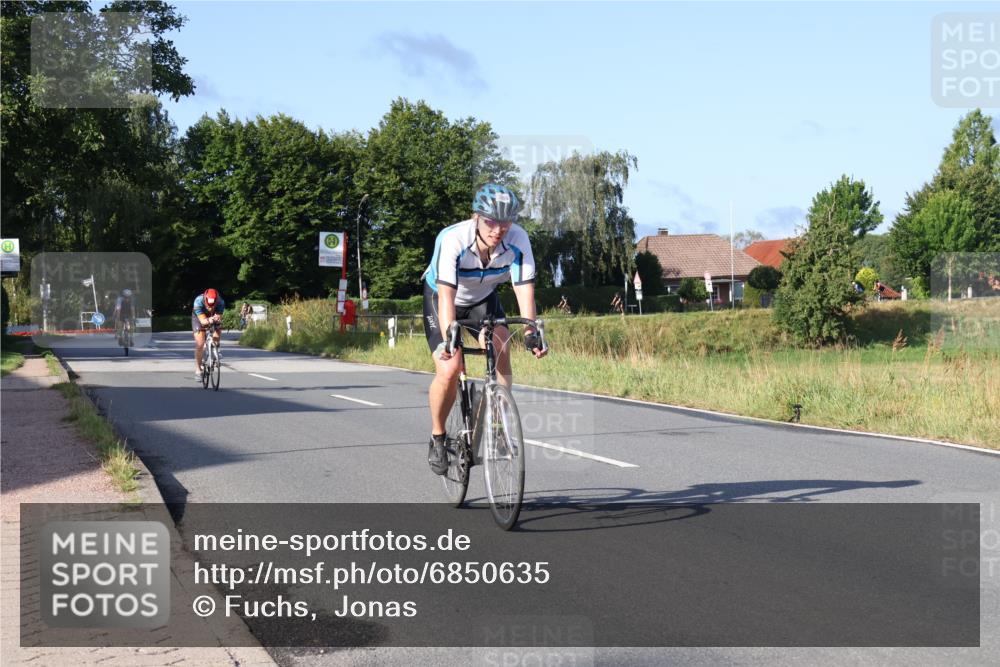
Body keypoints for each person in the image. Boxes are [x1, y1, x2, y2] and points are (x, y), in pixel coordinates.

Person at [422, 183, 548, 475]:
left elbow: (524, 290)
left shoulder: (519, 240)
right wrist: (449, 338)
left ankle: (498, 424)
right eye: (491, 221)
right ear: (475, 217)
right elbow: (446, 295)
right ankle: (438, 436)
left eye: (506, 222)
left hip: (483, 300)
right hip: (442, 299)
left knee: (502, 343)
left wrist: (531, 333)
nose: (499, 229)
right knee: (451, 368)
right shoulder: (453, 238)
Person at [192, 288, 225, 379]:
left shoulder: (220, 302)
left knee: (217, 329)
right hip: (199, 318)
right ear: (205, 300)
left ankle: (216, 350)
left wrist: (217, 319)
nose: (210, 308)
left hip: (213, 316)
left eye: (212, 306)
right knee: (200, 344)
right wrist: (208, 320)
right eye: (208, 305)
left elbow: (218, 316)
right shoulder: (198, 301)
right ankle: (198, 370)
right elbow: (203, 321)